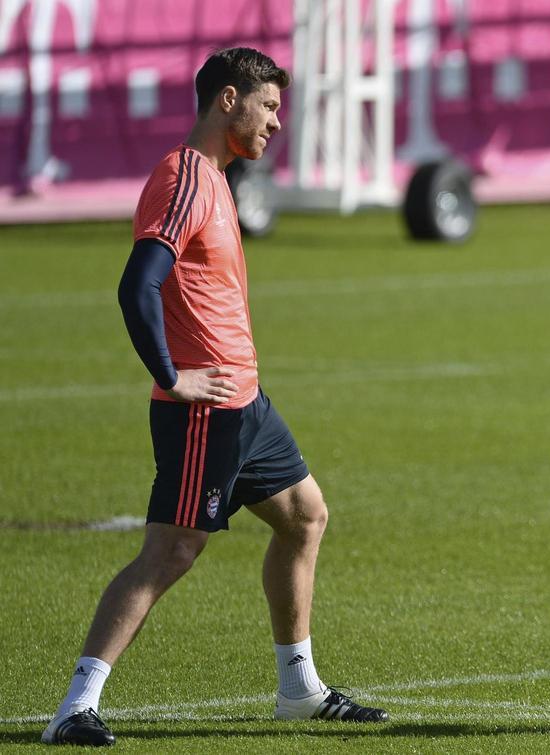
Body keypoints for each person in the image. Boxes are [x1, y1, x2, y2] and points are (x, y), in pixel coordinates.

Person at [41, 48, 388, 747]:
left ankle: (298, 689)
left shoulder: (217, 178)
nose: (277, 122)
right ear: (228, 100)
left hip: (247, 404)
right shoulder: (184, 178)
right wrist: (173, 376)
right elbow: (138, 284)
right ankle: (74, 707)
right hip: (204, 409)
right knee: (171, 551)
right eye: (269, 107)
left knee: (305, 517)